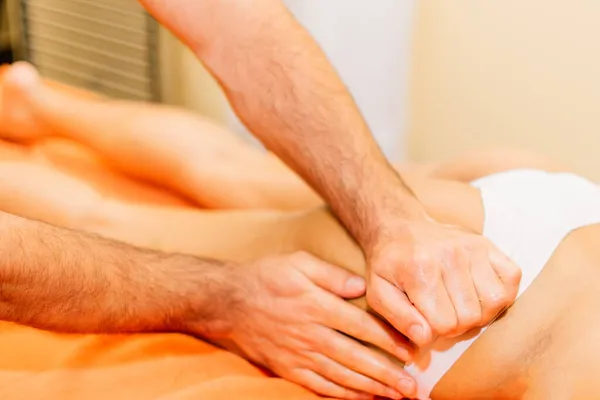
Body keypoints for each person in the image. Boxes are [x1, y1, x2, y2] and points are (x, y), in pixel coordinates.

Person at [0, 63, 599, 399]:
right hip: (449, 310)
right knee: (114, 226)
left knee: (233, 173)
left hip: (556, 203)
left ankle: (39, 104)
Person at [136, 0, 522, 350]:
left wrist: (393, 221)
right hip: (537, 216)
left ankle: (70, 105)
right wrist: (224, 301)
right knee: (216, 178)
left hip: (536, 197)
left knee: (228, 170)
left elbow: (231, 27)